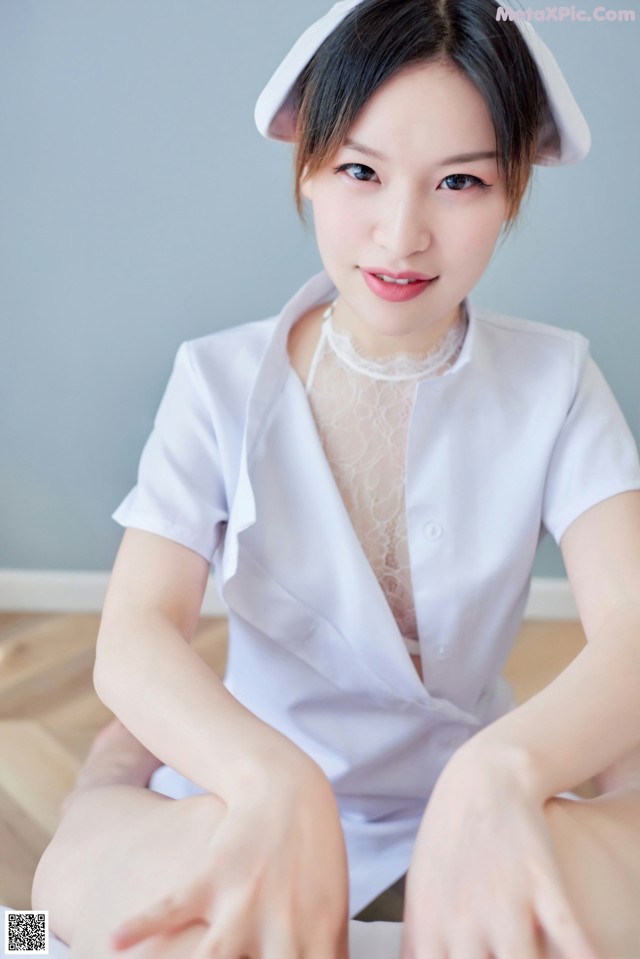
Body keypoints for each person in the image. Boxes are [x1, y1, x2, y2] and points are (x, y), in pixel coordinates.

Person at [32, 0, 640, 957]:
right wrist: (272, 781)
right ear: (308, 167)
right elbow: (135, 633)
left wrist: (504, 771)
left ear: (512, 192)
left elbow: (632, 628)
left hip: (470, 796)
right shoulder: (218, 379)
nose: (401, 236)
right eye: (361, 170)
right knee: (46, 924)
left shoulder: (558, 381)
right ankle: (110, 778)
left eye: (459, 183)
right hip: (246, 787)